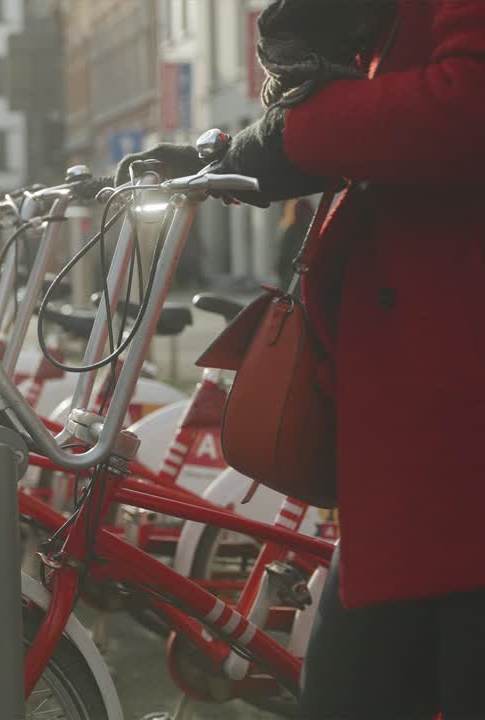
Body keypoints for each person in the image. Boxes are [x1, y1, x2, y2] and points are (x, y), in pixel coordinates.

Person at [117, 1, 485, 717]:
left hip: (454, 411)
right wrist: (228, 156)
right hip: (419, 430)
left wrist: (294, 132)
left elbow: (464, 102)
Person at [277, 197, 314, 288]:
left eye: (305, 212)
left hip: (308, 278)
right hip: (292, 279)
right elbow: (284, 258)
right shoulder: (291, 232)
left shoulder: (314, 230)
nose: (303, 215)